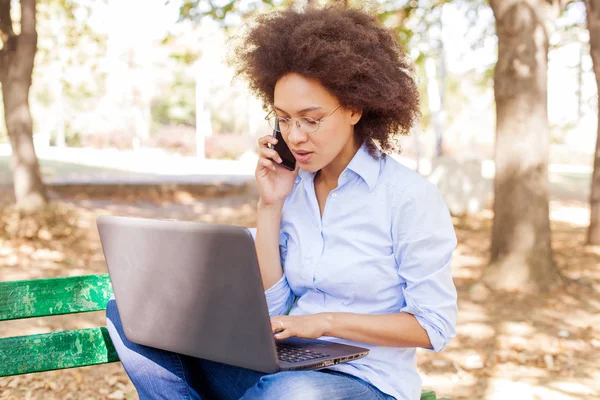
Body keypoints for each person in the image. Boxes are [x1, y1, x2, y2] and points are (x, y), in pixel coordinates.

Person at [106, 5, 458, 400]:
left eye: (311, 119)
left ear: (356, 107)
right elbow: (275, 302)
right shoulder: (296, 189)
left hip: (366, 381)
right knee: (131, 316)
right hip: (284, 362)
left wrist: (323, 323)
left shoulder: (409, 198)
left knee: (291, 394)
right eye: (284, 119)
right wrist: (271, 205)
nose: (295, 136)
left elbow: (433, 327)